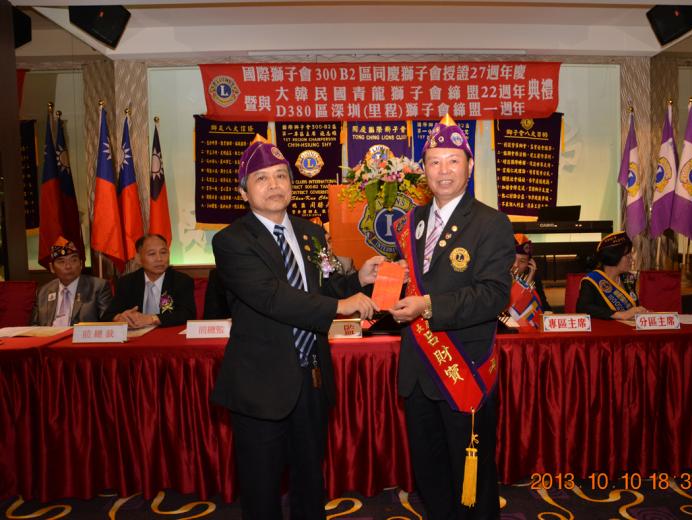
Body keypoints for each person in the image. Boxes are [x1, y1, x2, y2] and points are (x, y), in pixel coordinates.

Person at [210, 136, 382, 520]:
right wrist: (340, 306)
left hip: (312, 380)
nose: (274, 185)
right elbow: (272, 297)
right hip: (261, 386)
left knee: (310, 483)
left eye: (280, 176)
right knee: (262, 491)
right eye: (261, 179)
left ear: (291, 184)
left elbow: (320, 289)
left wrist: (358, 281)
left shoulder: (311, 233)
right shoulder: (231, 241)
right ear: (243, 192)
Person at [389, 114, 515, 519]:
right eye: (434, 162)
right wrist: (387, 282)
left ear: (470, 166)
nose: (443, 171)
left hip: (464, 370)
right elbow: (408, 284)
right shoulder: (411, 222)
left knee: (473, 479)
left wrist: (428, 306)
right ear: (423, 170)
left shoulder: (491, 223)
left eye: (453, 161)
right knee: (430, 476)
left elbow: (493, 295)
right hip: (418, 371)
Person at [101, 234, 196, 328]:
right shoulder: (127, 282)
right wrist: (120, 317)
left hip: (167, 334)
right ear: (138, 258)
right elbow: (108, 316)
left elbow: (187, 314)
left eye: (163, 252)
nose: (159, 259)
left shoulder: (181, 280)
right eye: (152, 254)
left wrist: (151, 319)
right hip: (137, 336)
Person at [31, 237, 112, 326]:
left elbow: (108, 323)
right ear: (52, 268)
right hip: (50, 334)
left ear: (81, 264)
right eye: (61, 262)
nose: (68, 266)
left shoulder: (98, 287)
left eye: (74, 260)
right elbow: (34, 326)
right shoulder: (43, 292)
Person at [576, 231, 648, 320]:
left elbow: (633, 308)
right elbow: (583, 308)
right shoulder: (592, 280)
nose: (632, 259)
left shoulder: (628, 279)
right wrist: (620, 315)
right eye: (628, 256)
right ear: (614, 257)